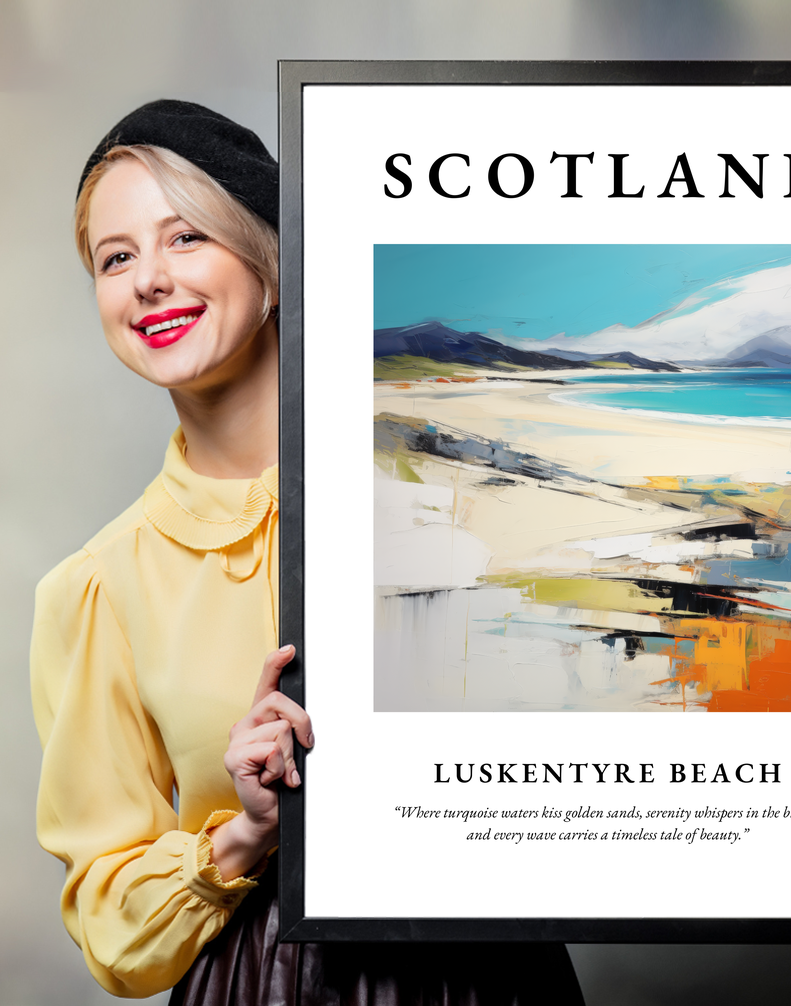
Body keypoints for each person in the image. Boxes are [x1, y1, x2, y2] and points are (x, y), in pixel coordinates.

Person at [30, 100, 585, 1004]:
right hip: (263, 982)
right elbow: (110, 923)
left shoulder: (456, 491)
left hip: (492, 972)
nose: (148, 281)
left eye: (185, 239)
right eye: (116, 257)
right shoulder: (98, 587)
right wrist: (245, 832)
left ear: (273, 264)